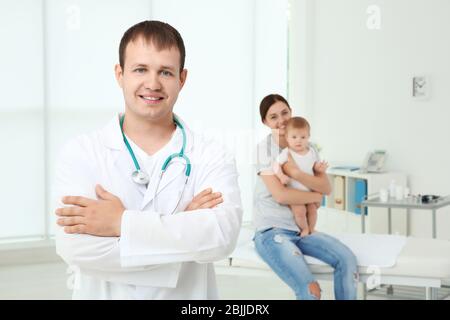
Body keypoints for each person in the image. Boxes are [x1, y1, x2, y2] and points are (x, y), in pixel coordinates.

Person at [53, 20, 242, 300]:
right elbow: (75, 248)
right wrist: (182, 228)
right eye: (140, 69)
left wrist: (121, 223)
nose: (152, 83)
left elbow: (220, 238)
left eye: (165, 72)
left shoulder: (212, 155)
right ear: (120, 74)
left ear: (182, 78)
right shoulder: (80, 152)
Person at [253, 94, 358, 300]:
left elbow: (326, 188)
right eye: (273, 117)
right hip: (273, 231)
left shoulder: (307, 147)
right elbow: (282, 196)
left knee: (347, 260)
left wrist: (295, 173)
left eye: (284, 112)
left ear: (291, 111)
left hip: (302, 230)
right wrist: (313, 195)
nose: (281, 120)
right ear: (265, 122)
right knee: (311, 290)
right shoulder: (263, 151)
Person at [272, 116, 328, 237]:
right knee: (300, 212)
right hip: (294, 193)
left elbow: (314, 166)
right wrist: (281, 176)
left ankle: (312, 229)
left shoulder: (311, 152)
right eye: (294, 137)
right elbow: (276, 165)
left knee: (312, 211)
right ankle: (304, 229)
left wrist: (319, 167)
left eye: (303, 137)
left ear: (308, 137)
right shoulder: (287, 152)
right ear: (287, 138)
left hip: (309, 190)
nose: (299, 141)